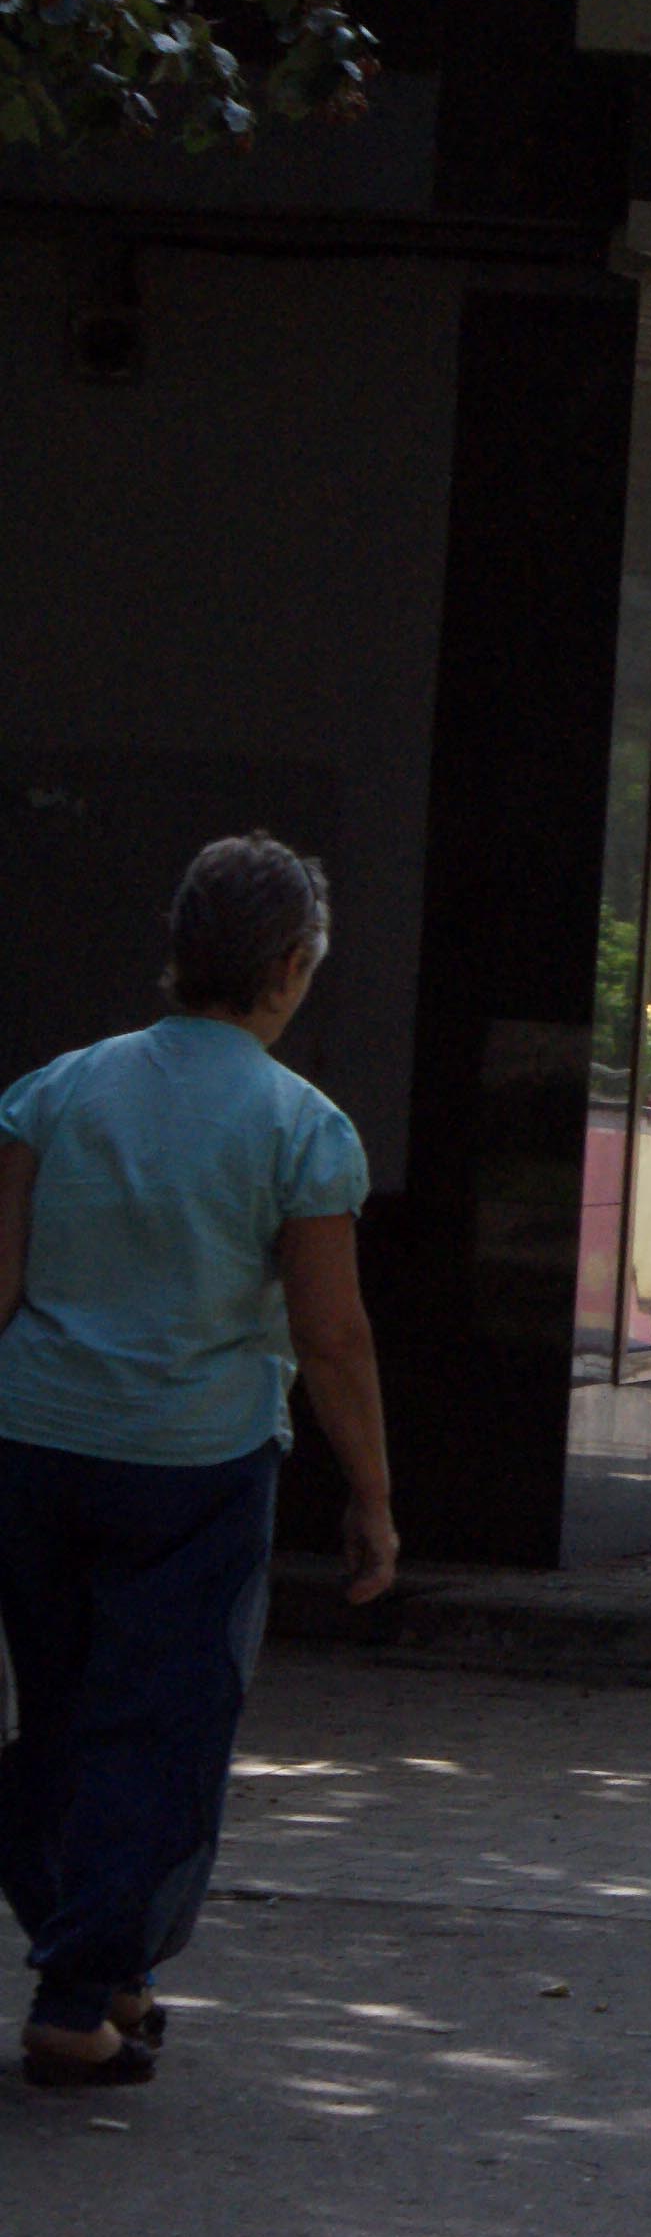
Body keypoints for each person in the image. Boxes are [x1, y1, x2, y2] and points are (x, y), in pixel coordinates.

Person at [0, 834, 396, 2089]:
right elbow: (331, 1338)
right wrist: (374, 1499)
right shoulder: (302, 1127)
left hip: (36, 1446)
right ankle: (79, 1995)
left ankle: (105, 1966)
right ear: (290, 966)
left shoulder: (50, 1093)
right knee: (160, 1730)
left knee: (55, 1714)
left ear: (178, 951)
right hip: (197, 1463)